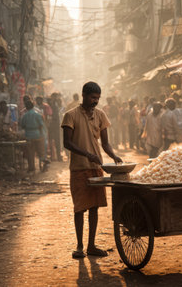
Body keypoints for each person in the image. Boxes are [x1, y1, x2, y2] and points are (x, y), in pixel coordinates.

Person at [62, 81, 122, 259]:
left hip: (96, 168)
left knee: (94, 207)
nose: (95, 101)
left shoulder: (101, 115)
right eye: (92, 97)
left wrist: (113, 156)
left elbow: (105, 143)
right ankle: (79, 246)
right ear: (84, 95)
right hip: (79, 168)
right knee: (79, 208)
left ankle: (91, 245)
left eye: (97, 98)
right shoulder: (70, 116)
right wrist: (87, 154)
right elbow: (67, 143)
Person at [20, 98, 49, 173]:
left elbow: (22, 125)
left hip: (28, 135)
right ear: (33, 106)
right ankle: (43, 162)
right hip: (38, 135)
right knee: (41, 151)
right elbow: (41, 125)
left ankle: (31, 167)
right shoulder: (37, 114)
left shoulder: (25, 116)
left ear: (26, 107)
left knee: (30, 152)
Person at [49, 93, 62, 161]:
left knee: (56, 142)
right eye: (55, 97)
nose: (56, 98)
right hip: (53, 125)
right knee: (55, 141)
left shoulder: (56, 104)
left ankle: (57, 156)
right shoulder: (51, 105)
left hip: (55, 125)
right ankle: (55, 156)